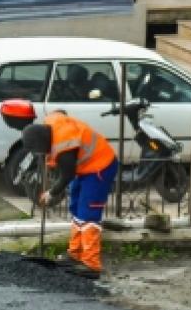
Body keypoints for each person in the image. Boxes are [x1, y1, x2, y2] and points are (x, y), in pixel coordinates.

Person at [21, 110, 119, 279]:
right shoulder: (51, 122)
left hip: (100, 167)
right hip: (85, 168)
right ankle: (75, 254)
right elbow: (60, 112)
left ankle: (91, 265)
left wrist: (51, 193)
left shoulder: (64, 146)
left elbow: (67, 175)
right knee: (76, 209)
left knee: (88, 214)